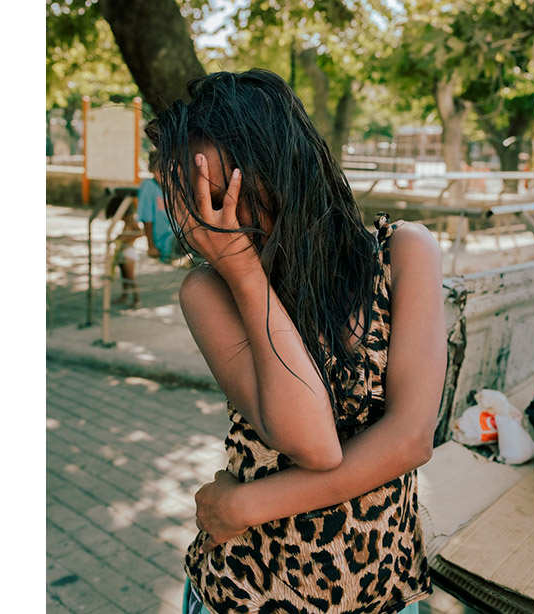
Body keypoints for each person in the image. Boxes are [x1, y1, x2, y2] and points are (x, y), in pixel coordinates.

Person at [145, 69, 447, 614]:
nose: (208, 219)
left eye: (219, 194)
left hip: (382, 596)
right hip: (248, 594)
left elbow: (410, 440)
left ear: (281, 169)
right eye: (192, 200)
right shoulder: (210, 293)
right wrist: (244, 273)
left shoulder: (404, 254)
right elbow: (314, 444)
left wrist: (245, 505)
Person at [137, 149, 177, 262]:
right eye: (159, 170)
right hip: (165, 243)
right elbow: (147, 219)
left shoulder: (175, 185)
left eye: (167, 170)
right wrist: (151, 246)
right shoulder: (148, 186)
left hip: (182, 236)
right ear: (152, 171)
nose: (163, 174)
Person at [105, 196, 143, 308]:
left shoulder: (131, 220)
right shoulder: (126, 221)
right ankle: (124, 297)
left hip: (129, 252)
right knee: (125, 278)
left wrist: (125, 240)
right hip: (123, 251)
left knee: (131, 278)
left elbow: (140, 233)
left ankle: (137, 301)